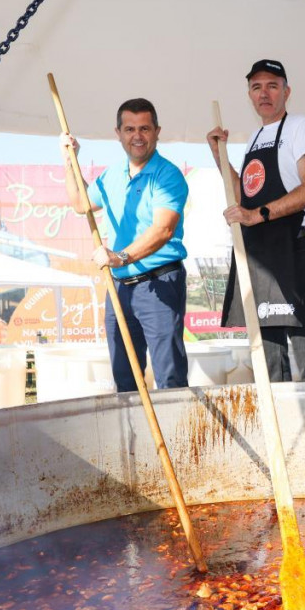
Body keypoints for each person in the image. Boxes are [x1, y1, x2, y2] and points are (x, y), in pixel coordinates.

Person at [207, 59, 305, 382]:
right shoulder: (253, 137)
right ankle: (283, 429)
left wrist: (257, 215)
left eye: (272, 85)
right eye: (257, 87)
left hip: (292, 250)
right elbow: (242, 194)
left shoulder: (300, 126)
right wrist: (219, 155)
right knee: (268, 361)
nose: (264, 93)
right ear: (249, 95)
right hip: (260, 255)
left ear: (286, 92)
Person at [60, 98, 190, 392]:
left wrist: (121, 256)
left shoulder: (167, 175)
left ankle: (174, 438)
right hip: (119, 288)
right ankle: (138, 439)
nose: (137, 136)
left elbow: (164, 229)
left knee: (169, 376)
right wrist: (70, 162)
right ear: (118, 133)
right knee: (124, 376)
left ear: (157, 131)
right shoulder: (112, 174)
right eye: (129, 128)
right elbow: (81, 203)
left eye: (144, 128)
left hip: (159, 284)